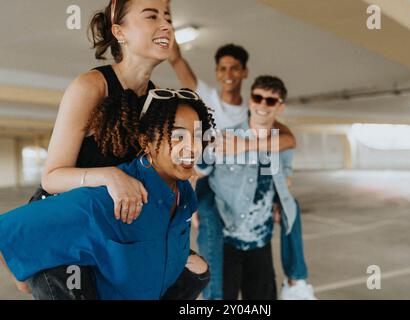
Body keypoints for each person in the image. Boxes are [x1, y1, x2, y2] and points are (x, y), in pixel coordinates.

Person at [18, 0, 207, 300]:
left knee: (196, 269)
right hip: (64, 226)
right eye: (152, 16)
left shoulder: (156, 100)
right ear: (120, 31)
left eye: (168, 17)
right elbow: (51, 177)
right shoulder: (92, 86)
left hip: (109, 225)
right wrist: (110, 177)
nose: (166, 25)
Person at [0, 90, 214, 300]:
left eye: (196, 136)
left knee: (201, 273)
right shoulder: (107, 200)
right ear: (145, 141)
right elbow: (6, 230)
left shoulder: (184, 195)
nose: (192, 147)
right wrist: (24, 277)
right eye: (177, 136)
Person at [170, 43, 316, 299]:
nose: (263, 105)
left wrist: (279, 199)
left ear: (279, 106)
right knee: (218, 296)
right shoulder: (221, 126)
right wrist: (191, 205)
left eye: (270, 101)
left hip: (260, 239)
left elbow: (285, 167)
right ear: (251, 100)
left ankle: (297, 281)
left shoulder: (278, 140)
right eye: (258, 98)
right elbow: (199, 171)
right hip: (226, 235)